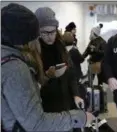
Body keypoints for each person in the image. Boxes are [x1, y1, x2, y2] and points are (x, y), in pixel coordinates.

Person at [1, 3, 94, 131]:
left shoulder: (61, 47)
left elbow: (71, 74)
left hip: (64, 106)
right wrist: (47, 76)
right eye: (44, 32)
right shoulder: (23, 60)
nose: (50, 36)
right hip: (46, 110)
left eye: (53, 31)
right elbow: (36, 121)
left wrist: (76, 95)